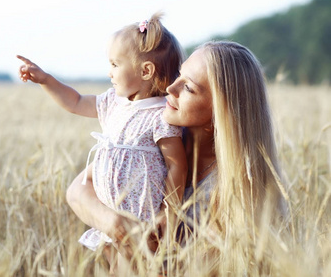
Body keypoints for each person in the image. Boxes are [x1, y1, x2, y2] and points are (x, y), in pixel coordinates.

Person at [66, 40, 287, 274]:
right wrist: (116, 225)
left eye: (189, 88)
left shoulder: (238, 196)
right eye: (178, 75)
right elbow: (77, 190)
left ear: (220, 115)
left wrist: (140, 253)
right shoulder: (158, 141)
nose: (171, 88)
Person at [17, 12, 188, 273]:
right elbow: (75, 102)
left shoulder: (160, 115)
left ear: (146, 71)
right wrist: (46, 80)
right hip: (109, 213)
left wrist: (169, 211)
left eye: (115, 65)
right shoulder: (114, 103)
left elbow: (176, 165)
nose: (109, 72)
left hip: (140, 219)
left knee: (136, 268)